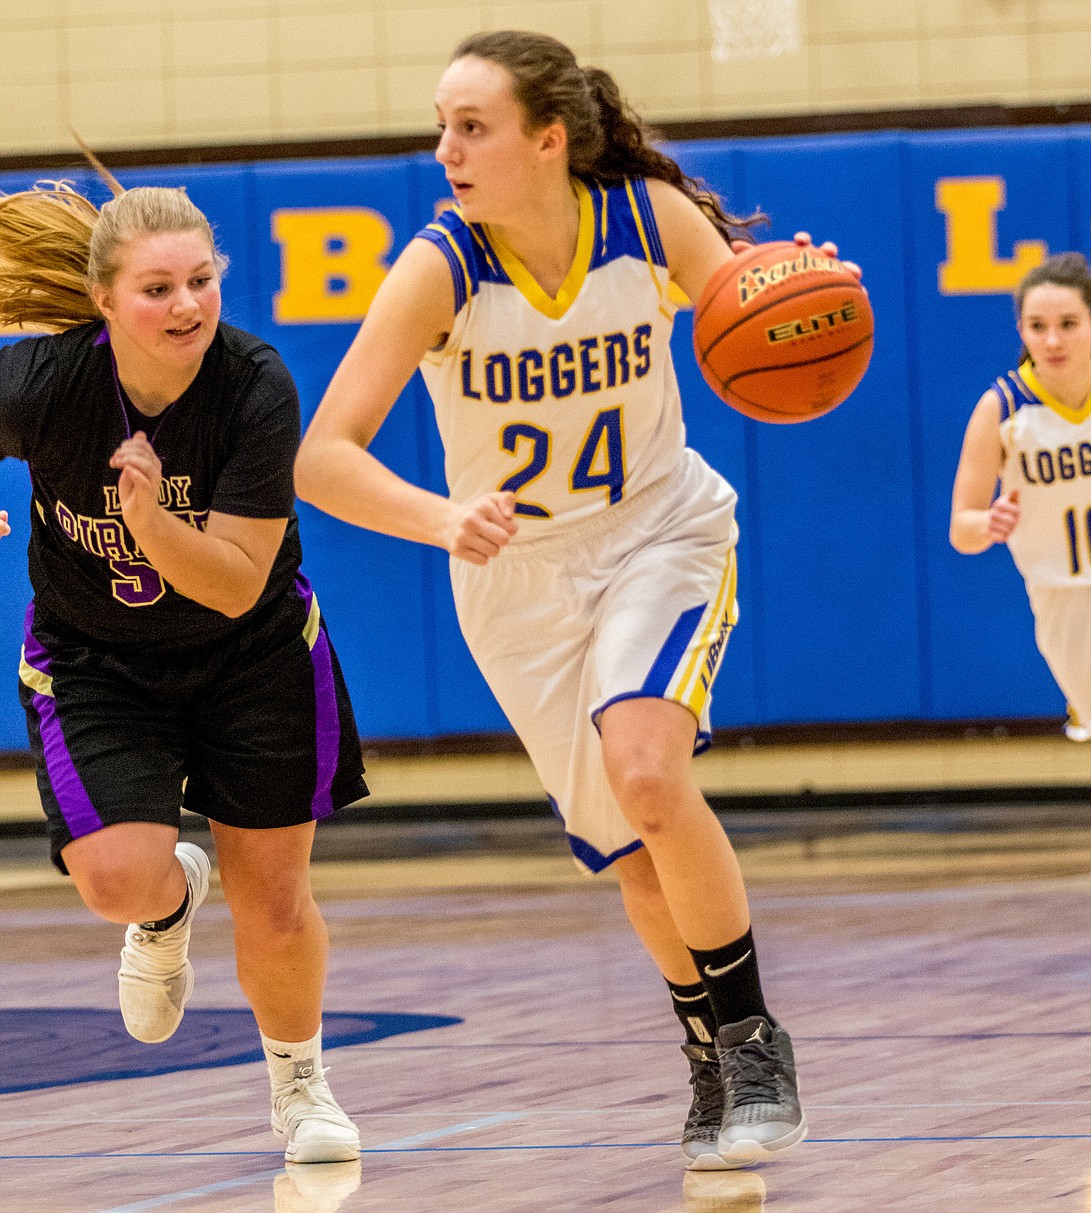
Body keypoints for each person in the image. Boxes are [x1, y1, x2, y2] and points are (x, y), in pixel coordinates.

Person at [294, 29, 854, 1170]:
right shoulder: (441, 268)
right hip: (517, 584)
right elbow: (324, 456)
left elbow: (756, 303)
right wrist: (442, 516)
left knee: (650, 771)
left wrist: (801, 293)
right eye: (443, 125)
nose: (444, 148)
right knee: (632, 851)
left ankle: (754, 1040)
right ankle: (707, 1055)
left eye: (472, 126)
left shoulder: (647, 219)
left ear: (547, 141)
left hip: (660, 532)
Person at [0, 177, 369, 1162]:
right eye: (157, 289)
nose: (188, 305)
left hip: (250, 655)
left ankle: (300, 1085)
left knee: (275, 898)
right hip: (96, 661)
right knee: (118, 879)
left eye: (201, 280)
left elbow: (238, 583)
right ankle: (165, 906)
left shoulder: (256, 386)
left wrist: (152, 520)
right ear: (105, 303)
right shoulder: (43, 384)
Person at [950, 251, 1091, 948]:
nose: (1053, 338)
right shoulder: (1002, 409)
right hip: (1064, 596)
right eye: (1038, 324)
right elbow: (961, 524)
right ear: (1022, 328)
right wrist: (990, 525)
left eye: (1068, 323)